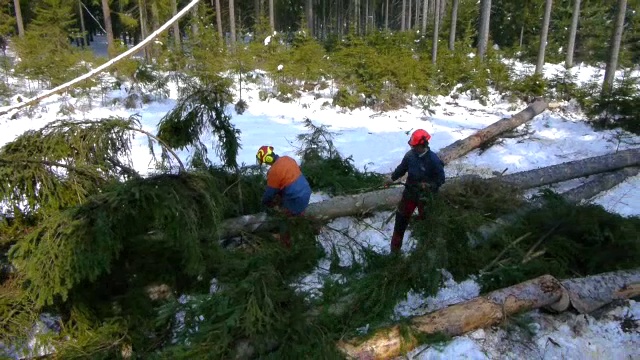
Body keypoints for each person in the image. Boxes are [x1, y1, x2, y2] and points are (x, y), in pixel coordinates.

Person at [385, 129, 445, 253]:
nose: (413, 148)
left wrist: (429, 186)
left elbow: (440, 179)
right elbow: (402, 169)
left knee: (427, 224)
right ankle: (394, 251)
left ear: (423, 145)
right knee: (400, 221)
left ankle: (425, 251)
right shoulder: (410, 156)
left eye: (415, 146)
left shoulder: (433, 160)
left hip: (426, 196)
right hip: (410, 193)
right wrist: (392, 178)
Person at [256, 145, 312, 247]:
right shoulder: (287, 159)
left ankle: (286, 243)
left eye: (265, 162)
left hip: (296, 199)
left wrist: (263, 202)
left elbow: (269, 193)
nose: (266, 164)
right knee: (282, 195)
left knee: (283, 219)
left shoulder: (274, 171)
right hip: (306, 191)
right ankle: (298, 216)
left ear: (267, 159)